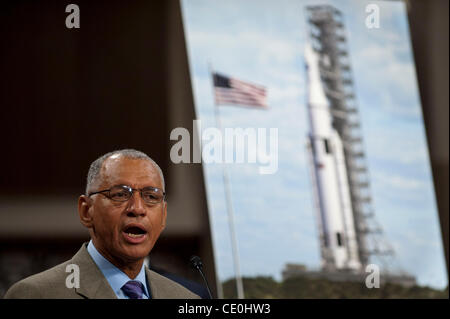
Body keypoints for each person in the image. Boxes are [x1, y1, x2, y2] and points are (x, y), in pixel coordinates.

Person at [4, 149, 200, 299]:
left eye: (151, 196)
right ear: (86, 211)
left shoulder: (186, 298)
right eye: (120, 194)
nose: (137, 208)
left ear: (164, 215)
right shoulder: (37, 294)